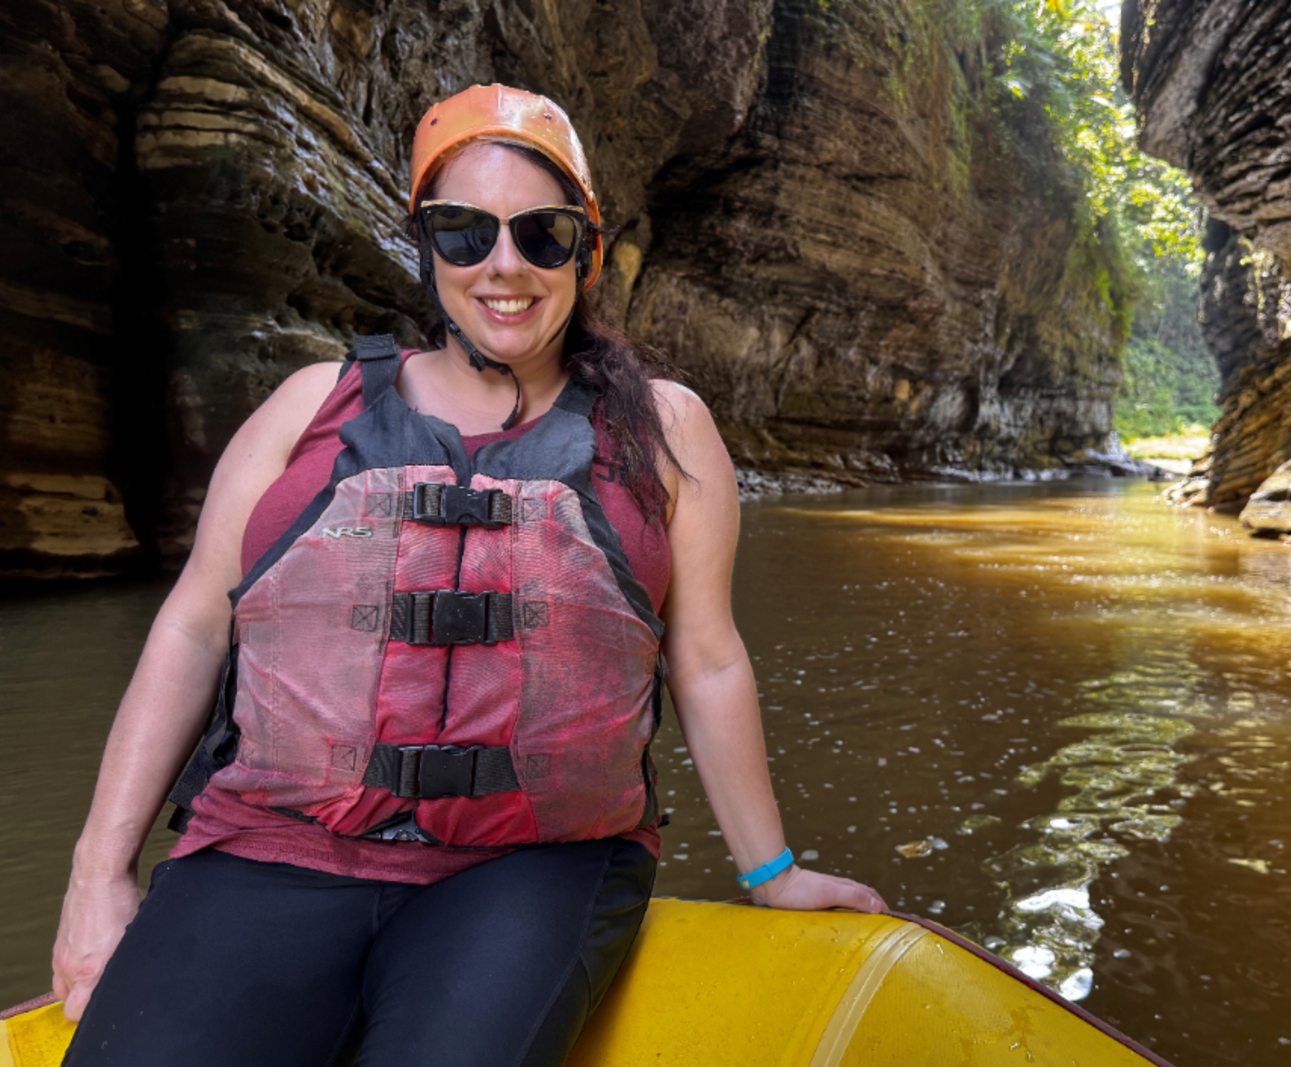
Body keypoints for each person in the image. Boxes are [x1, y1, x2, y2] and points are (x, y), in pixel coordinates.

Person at [50, 83, 886, 1067]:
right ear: (423, 247)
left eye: (542, 234)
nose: (505, 266)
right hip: (268, 846)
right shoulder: (305, 409)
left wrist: (772, 869)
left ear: (587, 250)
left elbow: (705, 659)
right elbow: (195, 626)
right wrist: (95, 872)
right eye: (463, 232)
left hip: (530, 868)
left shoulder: (664, 430)